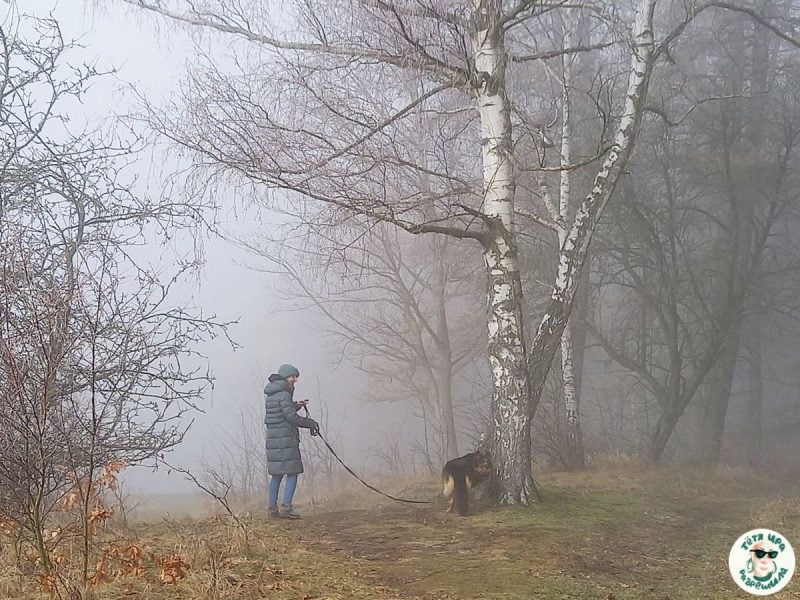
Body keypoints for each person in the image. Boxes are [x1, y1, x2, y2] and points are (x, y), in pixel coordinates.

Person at [263, 363, 319, 519]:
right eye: (293, 377)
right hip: (286, 439)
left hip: (274, 439)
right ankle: (287, 508)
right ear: (286, 377)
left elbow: (280, 412)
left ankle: (272, 509)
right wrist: (310, 423)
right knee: (293, 472)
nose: (295, 380)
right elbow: (290, 418)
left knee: (276, 475)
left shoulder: (273, 393)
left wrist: (295, 405)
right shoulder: (284, 394)